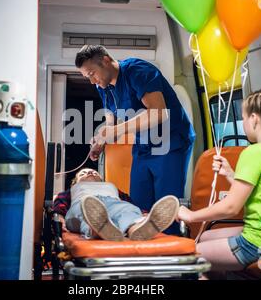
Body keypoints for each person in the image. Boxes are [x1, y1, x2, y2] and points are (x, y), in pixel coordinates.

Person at [177, 89, 261, 273]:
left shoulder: (253, 152)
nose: (243, 123)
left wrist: (190, 215)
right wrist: (230, 174)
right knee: (205, 237)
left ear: (254, 119)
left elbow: (231, 208)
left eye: (243, 118)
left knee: (186, 259)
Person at [75, 45, 195, 234]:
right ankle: (139, 248)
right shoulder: (103, 86)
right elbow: (110, 121)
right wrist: (100, 141)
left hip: (170, 142)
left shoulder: (137, 71)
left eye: (92, 73)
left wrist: (116, 130)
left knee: (165, 207)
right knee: (138, 204)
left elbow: (158, 113)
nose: (91, 81)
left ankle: (168, 253)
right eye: (87, 77)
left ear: (106, 60)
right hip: (143, 145)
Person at [53, 168, 179, 241]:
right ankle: (95, 229)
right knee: (86, 211)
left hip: (113, 204)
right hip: (83, 204)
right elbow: (60, 205)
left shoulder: (112, 188)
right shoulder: (72, 190)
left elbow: (129, 203)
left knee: (127, 210)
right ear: (75, 182)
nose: (90, 173)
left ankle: (137, 229)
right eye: (83, 173)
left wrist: (145, 215)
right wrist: (60, 219)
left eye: (94, 172)